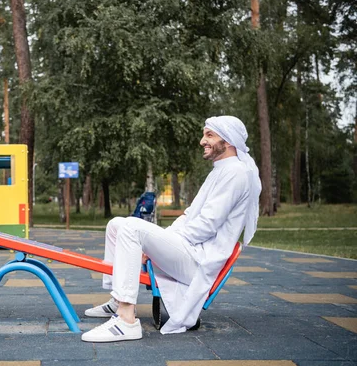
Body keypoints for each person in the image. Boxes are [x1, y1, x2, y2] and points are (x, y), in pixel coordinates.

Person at [81, 115, 261, 342]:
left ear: (228, 140)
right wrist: (161, 242)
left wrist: (156, 245)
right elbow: (189, 216)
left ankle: (126, 321)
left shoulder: (236, 173)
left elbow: (206, 226)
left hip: (199, 261)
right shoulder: (221, 170)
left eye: (209, 135)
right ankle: (118, 300)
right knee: (117, 224)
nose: (202, 141)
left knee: (131, 228)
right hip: (189, 250)